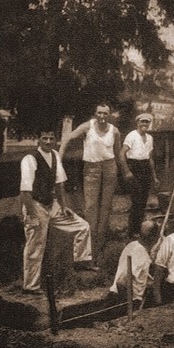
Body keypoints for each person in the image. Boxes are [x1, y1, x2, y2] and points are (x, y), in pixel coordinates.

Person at [20, 130, 96, 294]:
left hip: (52, 204)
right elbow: (25, 192)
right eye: (44, 138)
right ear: (38, 140)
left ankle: (81, 262)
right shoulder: (30, 158)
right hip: (35, 205)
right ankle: (30, 286)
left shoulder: (54, 155)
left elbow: (59, 184)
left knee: (82, 226)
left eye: (51, 138)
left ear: (55, 140)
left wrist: (63, 206)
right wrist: (32, 216)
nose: (48, 141)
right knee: (35, 246)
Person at [59, 102, 121, 262]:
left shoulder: (115, 131)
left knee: (106, 207)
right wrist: (59, 158)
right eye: (99, 113)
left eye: (105, 113)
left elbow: (118, 153)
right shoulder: (88, 127)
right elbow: (68, 138)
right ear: (95, 114)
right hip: (91, 169)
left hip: (109, 168)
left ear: (109, 115)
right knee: (91, 207)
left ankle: (100, 248)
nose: (102, 116)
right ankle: (89, 250)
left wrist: (122, 171)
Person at [119, 113, 160, 239]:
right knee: (136, 200)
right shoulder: (132, 136)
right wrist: (127, 171)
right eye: (142, 122)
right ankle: (132, 231)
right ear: (137, 123)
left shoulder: (150, 138)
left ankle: (141, 229)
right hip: (134, 167)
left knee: (143, 201)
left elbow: (150, 158)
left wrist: (154, 176)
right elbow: (121, 155)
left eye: (147, 122)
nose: (145, 124)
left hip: (145, 168)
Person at [108, 220, 160, 305]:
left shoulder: (132, 245)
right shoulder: (140, 254)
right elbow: (121, 282)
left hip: (115, 294)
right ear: (153, 237)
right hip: (126, 300)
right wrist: (128, 304)